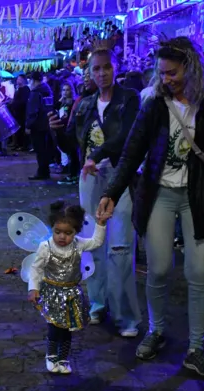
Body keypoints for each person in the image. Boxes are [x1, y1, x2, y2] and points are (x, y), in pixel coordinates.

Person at [96, 37, 204, 377]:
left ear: (191, 66)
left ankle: (196, 349)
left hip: (198, 198)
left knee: (198, 274)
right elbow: (133, 150)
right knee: (158, 270)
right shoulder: (155, 102)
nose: (166, 79)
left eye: (172, 72)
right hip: (159, 194)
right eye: (162, 73)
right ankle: (156, 330)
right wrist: (112, 192)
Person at [49, 46, 142, 338]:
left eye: (107, 67)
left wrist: (97, 154)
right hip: (90, 178)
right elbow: (72, 147)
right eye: (96, 69)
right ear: (88, 72)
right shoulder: (84, 104)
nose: (101, 73)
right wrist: (56, 131)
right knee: (92, 245)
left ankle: (126, 316)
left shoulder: (129, 99)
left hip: (121, 177)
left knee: (121, 247)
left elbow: (125, 138)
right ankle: (98, 304)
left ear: (116, 68)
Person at [28, 201, 107, 373]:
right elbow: (36, 268)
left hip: (71, 294)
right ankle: (51, 355)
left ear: (76, 231)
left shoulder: (79, 244)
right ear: (52, 228)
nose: (62, 237)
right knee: (54, 327)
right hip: (52, 293)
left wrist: (100, 224)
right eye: (57, 232)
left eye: (68, 233)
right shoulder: (46, 247)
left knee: (67, 330)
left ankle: (63, 358)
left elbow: (97, 242)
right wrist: (33, 288)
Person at [25, 71, 55, 180]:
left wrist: (28, 125)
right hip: (47, 123)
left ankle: (42, 172)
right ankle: (45, 171)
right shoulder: (47, 90)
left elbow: (33, 111)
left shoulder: (35, 93)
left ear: (33, 80)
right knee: (45, 149)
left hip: (37, 126)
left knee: (39, 150)